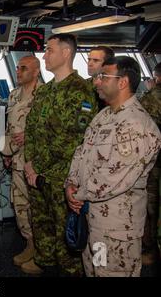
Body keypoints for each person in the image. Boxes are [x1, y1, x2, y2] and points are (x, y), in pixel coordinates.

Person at [65, 56, 161, 277]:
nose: (96, 82)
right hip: (94, 226)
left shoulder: (138, 125)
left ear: (123, 82)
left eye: (103, 77)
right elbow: (82, 152)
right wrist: (70, 182)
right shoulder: (104, 116)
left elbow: (114, 178)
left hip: (116, 231)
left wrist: (77, 194)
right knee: (96, 270)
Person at [23, 34, 98, 276]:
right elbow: (31, 128)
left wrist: (38, 167)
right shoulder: (45, 91)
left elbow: (73, 139)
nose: (44, 55)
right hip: (38, 175)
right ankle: (43, 262)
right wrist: (30, 164)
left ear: (66, 53)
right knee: (42, 227)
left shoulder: (81, 91)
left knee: (66, 237)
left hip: (63, 178)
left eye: (49, 50)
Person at [1, 56, 42, 267]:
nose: (18, 71)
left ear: (36, 72)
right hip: (17, 160)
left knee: (37, 208)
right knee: (20, 205)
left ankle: (41, 253)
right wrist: (7, 153)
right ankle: (30, 244)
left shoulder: (44, 95)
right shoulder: (14, 94)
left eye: (23, 68)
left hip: (35, 163)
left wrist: (30, 134)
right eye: (17, 68)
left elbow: (53, 129)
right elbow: (9, 127)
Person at [139, 62, 161, 265]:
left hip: (155, 164)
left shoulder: (154, 97)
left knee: (152, 207)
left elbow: (146, 128)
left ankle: (152, 250)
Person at [87, 46, 115, 111]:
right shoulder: (82, 85)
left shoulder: (114, 88)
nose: (90, 64)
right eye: (89, 59)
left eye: (96, 60)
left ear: (108, 64)